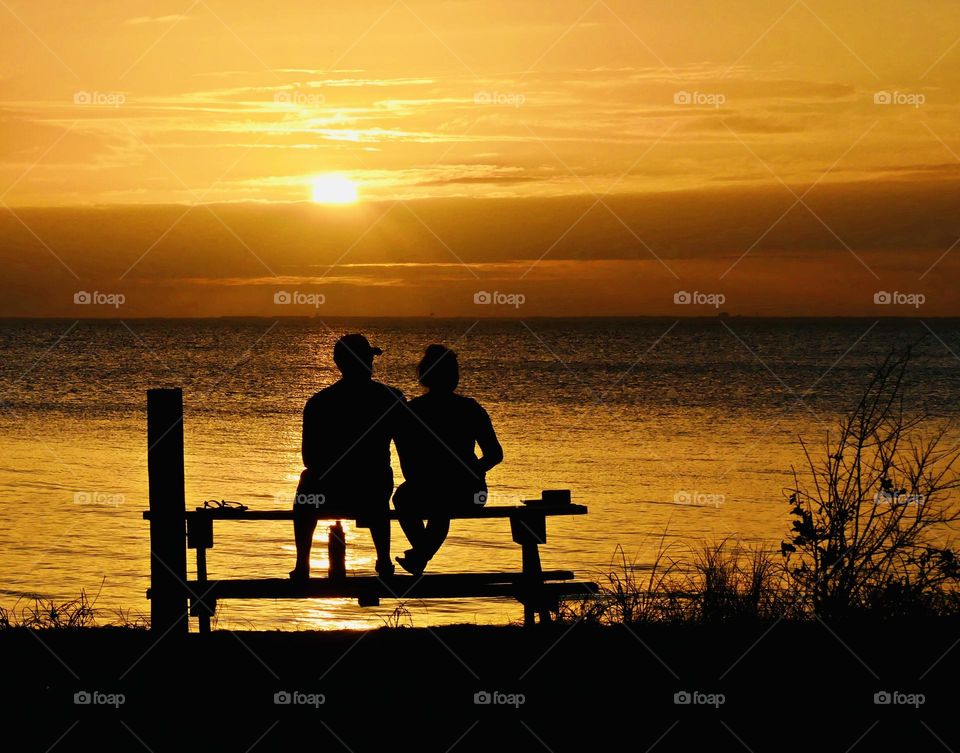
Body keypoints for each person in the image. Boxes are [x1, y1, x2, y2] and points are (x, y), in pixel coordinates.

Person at [290, 333, 405, 579]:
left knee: (306, 486)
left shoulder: (319, 403)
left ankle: (302, 564)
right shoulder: (392, 398)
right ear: (366, 361)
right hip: (372, 493)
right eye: (368, 358)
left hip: (330, 493)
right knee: (381, 476)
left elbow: (309, 459)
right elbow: (406, 449)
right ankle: (383, 560)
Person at [393, 344, 503, 575]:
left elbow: (406, 458)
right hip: (469, 490)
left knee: (413, 499)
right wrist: (474, 469)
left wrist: (466, 472)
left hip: (452, 488)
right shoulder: (469, 408)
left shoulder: (413, 411)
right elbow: (494, 454)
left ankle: (421, 555)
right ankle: (421, 554)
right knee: (422, 500)